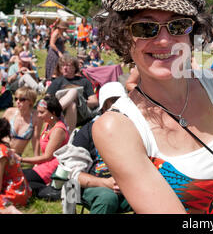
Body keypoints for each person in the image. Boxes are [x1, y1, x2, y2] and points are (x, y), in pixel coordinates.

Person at [92, 0, 213, 214]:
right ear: (123, 37)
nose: (164, 40)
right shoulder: (117, 128)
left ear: (192, 33)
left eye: (178, 26)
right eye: (145, 27)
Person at [72, 82, 132, 214]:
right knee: (107, 198)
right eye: (114, 101)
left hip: (129, 185)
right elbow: (74, 174)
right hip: (96, 186)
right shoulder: (87, 131)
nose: (119, 105)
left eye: (122, 100)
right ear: (104, 106)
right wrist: (107, 183)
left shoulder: (135, 127)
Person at [19, 95, 69, 200]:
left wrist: (21, 159)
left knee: (19, 178)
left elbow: (47, 157)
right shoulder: (48, 125)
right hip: (45, 166)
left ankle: (52, 190)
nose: (39, 115)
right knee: (20, 178)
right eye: (38, 112)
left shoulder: (58, 130)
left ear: (53, 113)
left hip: (52, 168)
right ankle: (47, 189)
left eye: (42, 112)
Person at [46, 55, 99, 133]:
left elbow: (94, 101)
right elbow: (47, 100)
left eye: (67, 65)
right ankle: (69, 136)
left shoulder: (84, 81)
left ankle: (55, 112)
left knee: (73, 92)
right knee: (72, 105)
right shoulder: (56, 82)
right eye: (62, 65)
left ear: (74, 67)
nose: (64, 68)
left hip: (82, 112)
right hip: (64, 113)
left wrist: (80, 101)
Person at [0, 118, 32, 213]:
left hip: (13, 194)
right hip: (22, 191)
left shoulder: (1, 154)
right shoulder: (5, 148)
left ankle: (10, 210)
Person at [2, 87, 41, 156]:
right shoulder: (9, 112)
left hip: (16, 156)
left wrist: (37, 161)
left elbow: (36, 140)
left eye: (22, 99)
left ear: (31, 101)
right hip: (2, 152)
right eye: (16, 99)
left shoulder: (36, 118)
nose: (18, 102)